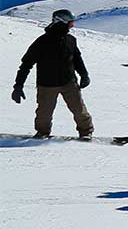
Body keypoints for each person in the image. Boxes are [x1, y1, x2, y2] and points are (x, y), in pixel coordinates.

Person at [11, 10, 93, 139]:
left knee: (79, 110)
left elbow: (77, 59)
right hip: (47, 85)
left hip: (69, 83)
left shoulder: (70, 40)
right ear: (61, 22)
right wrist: (18, 86)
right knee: (44, 113)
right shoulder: (42, 42)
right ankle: (42, 132)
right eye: (70, 23)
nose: (72, 27)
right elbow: (26, 64)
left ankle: (86, 132)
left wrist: (84, 74)